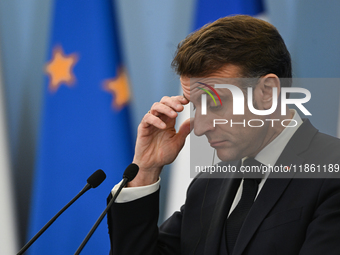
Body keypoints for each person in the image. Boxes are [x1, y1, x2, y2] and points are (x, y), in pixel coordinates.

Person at [107, 15, 340, 255]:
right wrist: (145, 170)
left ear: (268, 91)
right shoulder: (207, 185)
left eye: (215, 104)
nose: (199, 127)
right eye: (196, 106)